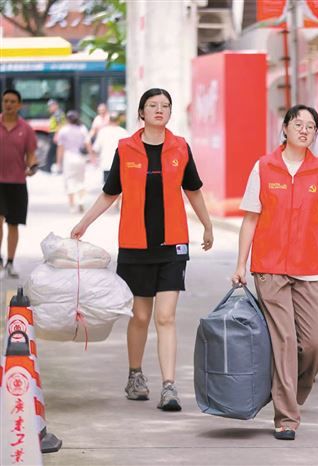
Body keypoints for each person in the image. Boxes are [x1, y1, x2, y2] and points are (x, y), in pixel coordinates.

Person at [231, 104, 318, 441]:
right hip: (270, 269)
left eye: (311, 126)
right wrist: (240, 264)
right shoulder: (264, 167)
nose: (304, 130)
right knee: (285, 341)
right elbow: (250, 218)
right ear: (285, 128)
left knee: (316, 343)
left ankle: (293, 394)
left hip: (309, 268)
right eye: (298, 124)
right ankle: (286, 416)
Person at [71, 88, 214, 412]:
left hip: (172, 244)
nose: (159, 110)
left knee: (165, 316)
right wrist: (84, 223)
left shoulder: (180, 147)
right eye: (153, 105)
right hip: (135, 245)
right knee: (140, 316)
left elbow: (193, 190)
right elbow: (110, 193)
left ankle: (169, 386)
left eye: (165, 105)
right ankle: (135, 375)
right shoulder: (126, 149)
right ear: (141, 112)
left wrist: (207, 225)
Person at [0, 89, 38, 278]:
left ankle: (10, 262)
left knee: (13, 224)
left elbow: (30, 155)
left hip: (17, 183)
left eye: (12, 101)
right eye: (6, 101)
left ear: (19, 105)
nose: (8, 104)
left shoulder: (26, 129)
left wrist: (33, 166)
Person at [56, 111, 91, 213]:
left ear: (67, 119)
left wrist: (58, 162)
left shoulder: (63, 130)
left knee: (69, 181)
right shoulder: (82, 129)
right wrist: (92, 156)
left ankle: (72, 205)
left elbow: (60, 148)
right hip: (80, 157)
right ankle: (81, 201)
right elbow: (87, 143)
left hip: (68, 157)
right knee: (81, 180)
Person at [94, 111, 128, 185]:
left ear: (109, 120)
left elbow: (96, 148)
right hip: (119, 164)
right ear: (118, 120)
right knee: (118, 188)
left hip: (106, 164)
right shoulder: (123, 132)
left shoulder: (103, 132)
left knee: (107, 188)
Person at [45, 98, 65, 173]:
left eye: (50, 106)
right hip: (55, 133)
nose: (49, 108)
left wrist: (56, 135)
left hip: (56, 133)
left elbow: (60, 124)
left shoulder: (58, 113)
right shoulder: (56, 113)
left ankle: (48, 168)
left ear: (55, 105)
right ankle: (51, 167)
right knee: (56, 151)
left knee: (52, 151)